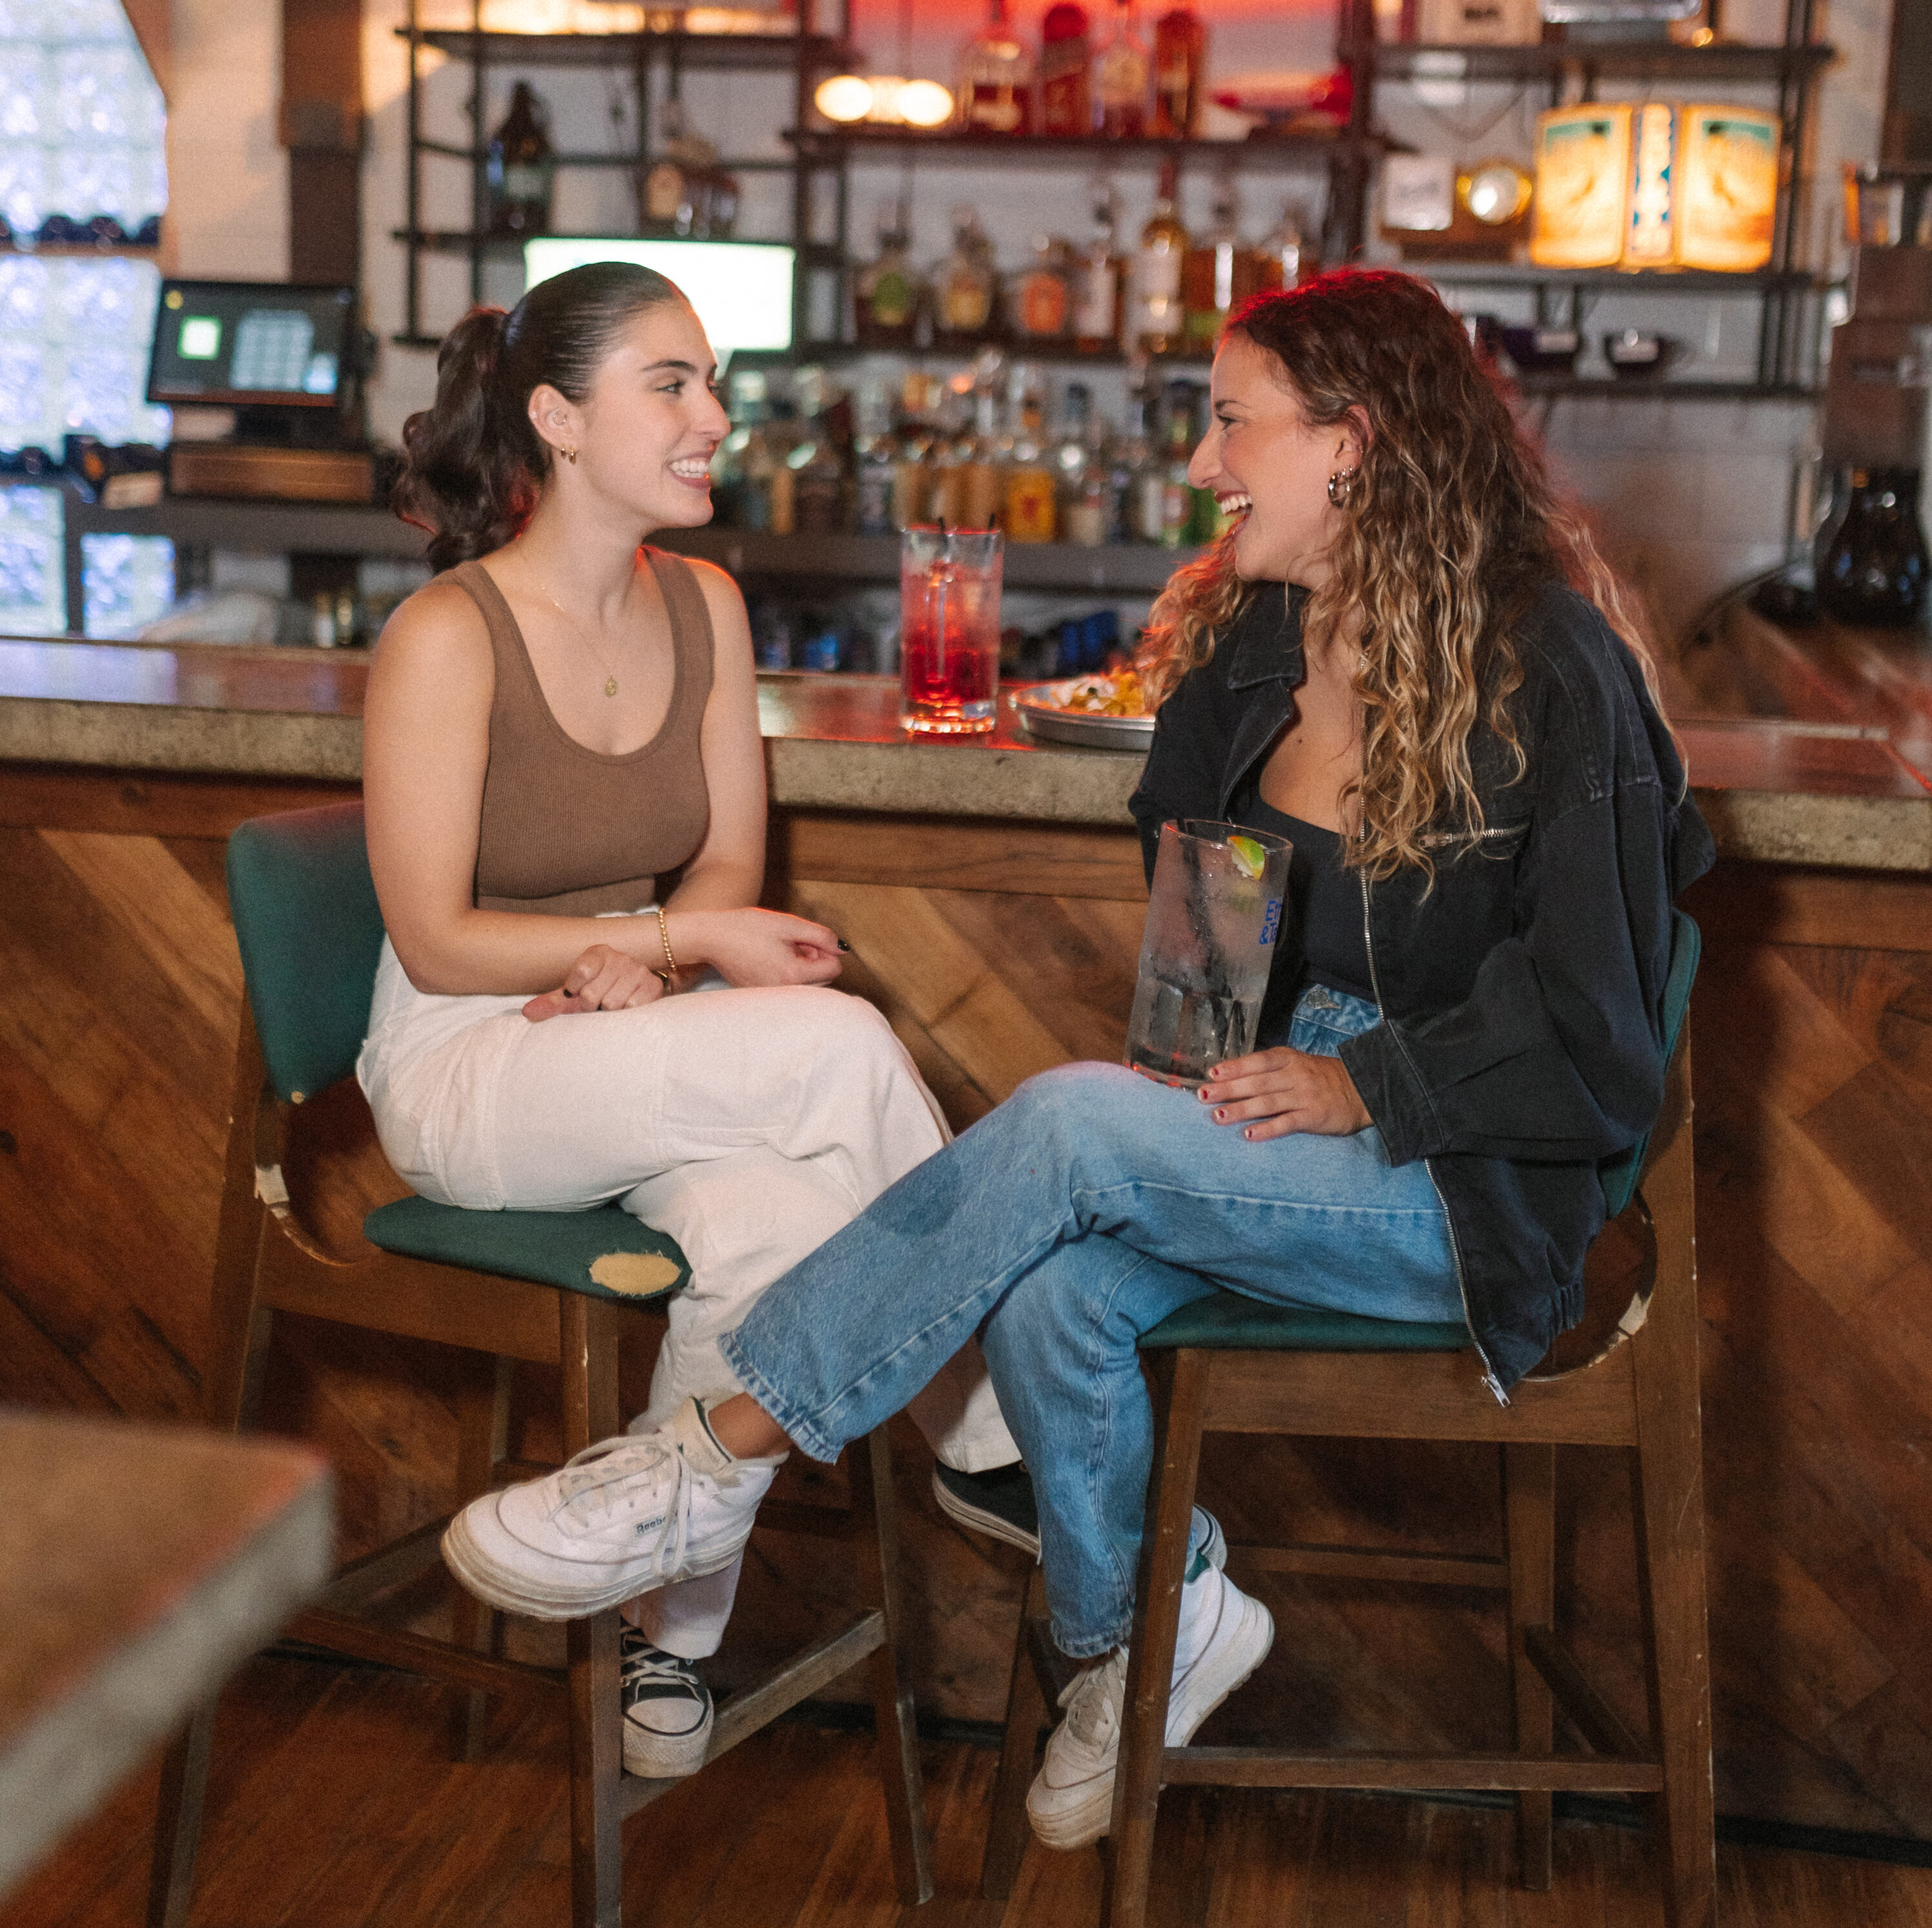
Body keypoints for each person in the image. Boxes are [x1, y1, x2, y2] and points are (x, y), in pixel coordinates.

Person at [443, 268, 1714, 1845]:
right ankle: (1145, 1636)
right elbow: (1206, 956)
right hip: (1269, 1117)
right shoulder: (1251, 652)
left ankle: (712, 1451)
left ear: (1354, 443)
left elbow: (1597, 1038)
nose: (1200, 465)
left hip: (1471, 1176)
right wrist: (1193, 1086)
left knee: (1061, 1131)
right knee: (1050, 1279)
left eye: (1229, 421)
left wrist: (1362, 1083)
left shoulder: (1551, 669)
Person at [364, 262, 1016, 1780]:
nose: (713, 416)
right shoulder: (448, 636)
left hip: (634, 1035)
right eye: (671, 383)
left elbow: (726, 872)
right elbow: (435, 935)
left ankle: (668, 1625)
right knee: (840, 1040)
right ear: (556, 418)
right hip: (469, 1057)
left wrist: (652, 957)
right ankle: (1004, 1445)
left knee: (778, 1222)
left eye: (708, 381)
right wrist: (657, 937)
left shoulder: (706, 604)